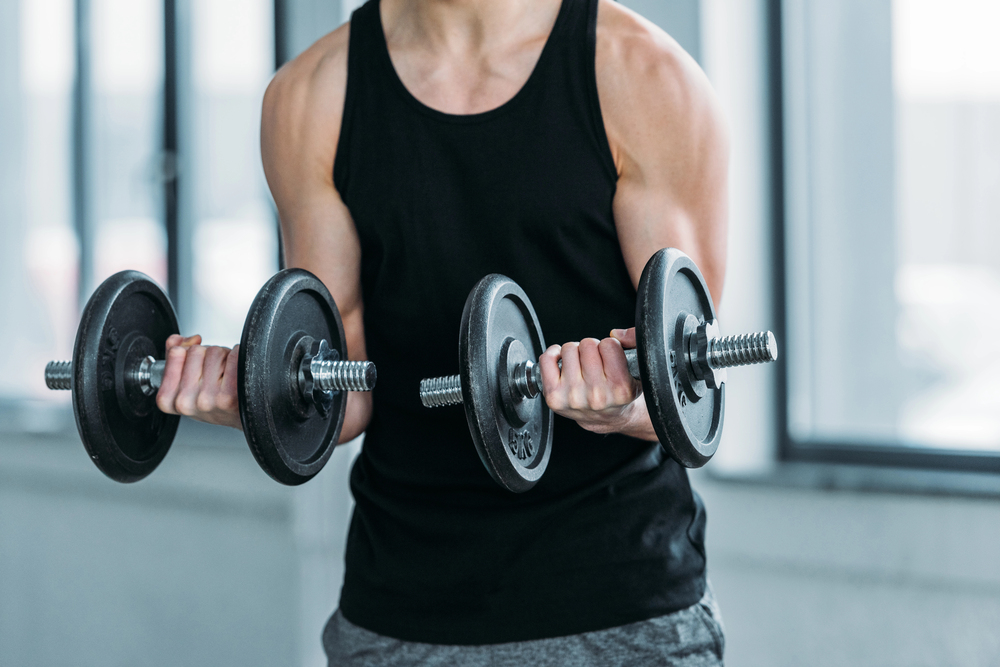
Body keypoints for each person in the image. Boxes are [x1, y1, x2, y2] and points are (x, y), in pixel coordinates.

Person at [156, 0, 729, 663]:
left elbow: (688, 390)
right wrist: (257, 396)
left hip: (618, 607)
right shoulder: (311, 97)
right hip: (401, 611)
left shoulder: (646, 78)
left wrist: (623, 404)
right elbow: (344, 385)